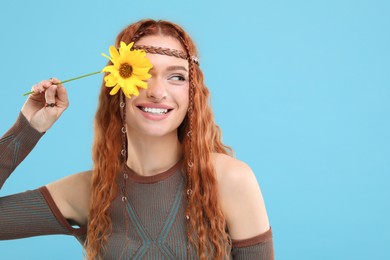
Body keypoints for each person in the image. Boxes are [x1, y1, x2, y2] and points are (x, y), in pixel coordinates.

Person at [0, 19, 273, 259]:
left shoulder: (229, 179)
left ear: (192, 94)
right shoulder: (87, 191)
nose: (157, 92)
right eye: (142, 74)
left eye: (176, 77)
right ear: (117, 86)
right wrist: (27, 129)